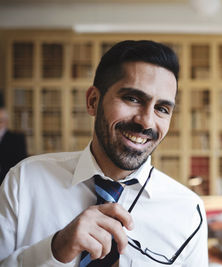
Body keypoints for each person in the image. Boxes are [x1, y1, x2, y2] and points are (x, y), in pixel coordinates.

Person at [0, 40, 208, 266]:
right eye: (133, 98)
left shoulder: (188, 211)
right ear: (93, 101)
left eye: (162, 109)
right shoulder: (24, 180)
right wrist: (55, 251)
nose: (146, 121)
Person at [0, 106, 27, 185]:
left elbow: (21, 162)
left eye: (0, 121)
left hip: (8, 180)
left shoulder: (17, 139)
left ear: (6, 122)